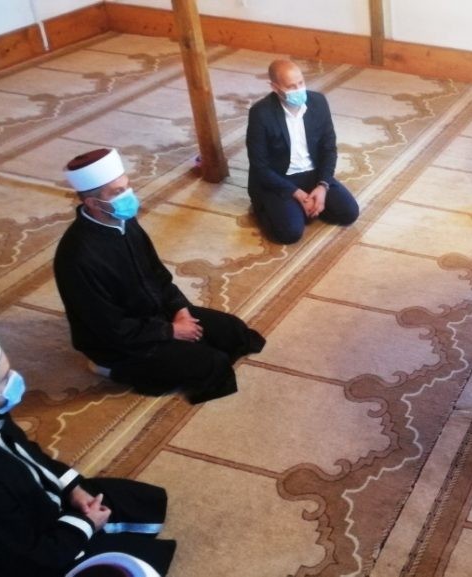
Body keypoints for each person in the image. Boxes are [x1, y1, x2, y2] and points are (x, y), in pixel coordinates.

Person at [54, 148, 266, 404]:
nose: (128, 195)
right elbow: (110, 328)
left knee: (233, 332)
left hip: (155, 315)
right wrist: (170, 331)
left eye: (127, 186)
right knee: (212, 364)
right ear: (92, 203)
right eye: (117, 192)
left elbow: (157, 274)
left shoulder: (124, 222)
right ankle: (113, 369)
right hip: (119, 344)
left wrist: (180, 310)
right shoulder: (78, 257)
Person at [0, 338, 175, 577]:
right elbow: (26, 556)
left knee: (140, 500)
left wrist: (73, 489)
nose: (15, 379)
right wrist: (85, 525)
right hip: (26, 546)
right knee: (132, 565)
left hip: (32, 498)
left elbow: (28, 452)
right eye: (4, 380)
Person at [246, 59, 359, 244]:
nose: (299, 90)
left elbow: (329, 149)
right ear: (275, 87)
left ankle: (303, 208)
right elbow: (260, 166)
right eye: (291, 87)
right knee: (290, 233)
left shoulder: (318, 102)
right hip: (280, 179)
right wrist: (297, 194)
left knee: (349, 213)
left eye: (301, 83)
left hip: (312, 173)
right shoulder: (260, 113)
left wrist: (322, 186)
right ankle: (265, 208)